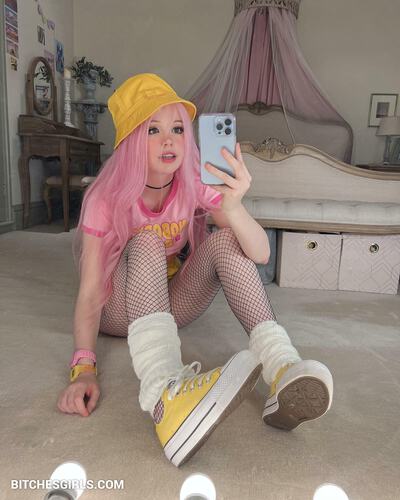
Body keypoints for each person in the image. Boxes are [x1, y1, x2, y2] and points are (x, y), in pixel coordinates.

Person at [57, 73, 333, 466]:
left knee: (226, 240)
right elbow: (88, 292)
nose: (169, 140)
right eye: (152, 130)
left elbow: (259, 253)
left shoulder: (193, 183)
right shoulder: (106, 196)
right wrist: (83, 368)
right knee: (148, 240)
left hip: (168, 305)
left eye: (177, 129)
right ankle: (165, 395)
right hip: (118, 310)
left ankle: (282, 366)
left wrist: (233, 206)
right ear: (130, 141)